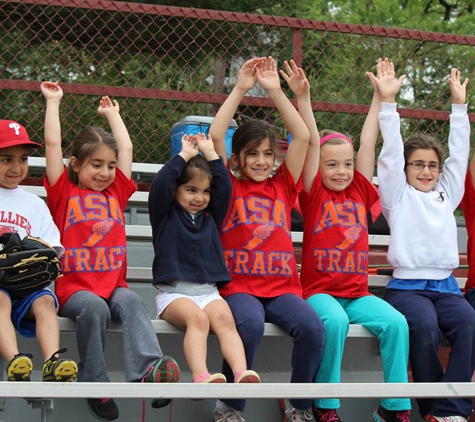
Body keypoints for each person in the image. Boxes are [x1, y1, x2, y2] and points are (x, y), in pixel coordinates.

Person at [40, 82, 180, 422]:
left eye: (110, 166)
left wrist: (113, 115)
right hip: (75, 289)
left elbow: (128, 149)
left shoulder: (115, 193)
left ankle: (148, 371)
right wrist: (54, 102)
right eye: (96, 165)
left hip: (113, 285)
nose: (104, 173)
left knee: (132, 302)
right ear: (75, 165)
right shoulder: (63, 193)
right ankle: (96, 385)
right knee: (94, 311)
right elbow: (52, 144)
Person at [292, 57, 412, 422]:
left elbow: (367, 140)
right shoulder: (313, 194)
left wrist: (381, 97)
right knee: (335, 323)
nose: (341, 171)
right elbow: (311, 143)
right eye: (332, 164)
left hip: (357, 293)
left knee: (396, 323)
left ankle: (393, 407)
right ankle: (325, 404)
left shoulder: (359, 190)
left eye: (346, 164)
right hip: (320, 293)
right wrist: (303, 100)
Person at [209, 56, 325, 422]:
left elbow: (304, 136)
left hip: (282, 289)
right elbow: (215, 135)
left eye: (267, 154)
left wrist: (275, 91)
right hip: (240, 287)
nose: (261, 161)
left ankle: (299, 404)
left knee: (312, 327)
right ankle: (229, 406)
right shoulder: (227, 186)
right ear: (237, 159)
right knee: (248, 325)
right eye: (252, 154)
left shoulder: (281, 185)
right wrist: (241, 88)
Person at [375, 65, 475, 422]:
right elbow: (390, 152)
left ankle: (453, 409)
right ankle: (432, 409)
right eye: (418, 164)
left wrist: (459, 109)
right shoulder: (397, 196)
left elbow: (459, 156)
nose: (426, 171)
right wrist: (389, 105)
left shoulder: (447, 195)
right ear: (405, 169)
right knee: (425, 327)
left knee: (470, 324)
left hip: (447, 288)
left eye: (432, 165)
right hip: (407, 289)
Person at [148, 131, 260, 386]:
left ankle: (241, 373)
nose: (199, 198)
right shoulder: (164, 215)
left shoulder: (212, 216)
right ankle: (201, 376)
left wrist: (210, 154)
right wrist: (184, 155)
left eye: (205, 192)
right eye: (190, 190)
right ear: (176, 190)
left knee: (224, 319)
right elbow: (161, 184)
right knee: (198, 320)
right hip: (174, 295)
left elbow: (225, 187)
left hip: (208, 292)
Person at [0, 119, 78, 383]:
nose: (16, 167)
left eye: (22, 159)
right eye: (6, 159)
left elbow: (51, 249)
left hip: (24, 287)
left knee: (45, 301)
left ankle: (52, 363)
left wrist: (38, 263)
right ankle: (15, 360)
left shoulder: (34, 204)